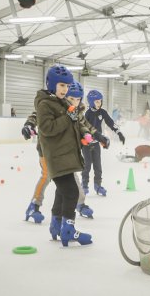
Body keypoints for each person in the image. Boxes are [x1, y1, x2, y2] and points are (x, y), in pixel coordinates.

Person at [35, 66, 109, 246]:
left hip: (67, 154)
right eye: (61, 85)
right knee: (72, 191)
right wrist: (68, 117)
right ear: (52, 84)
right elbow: (47, 128)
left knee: (62, 191)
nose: (64, 89)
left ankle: (56, 224)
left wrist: (88, 135)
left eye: (67, 86)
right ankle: (68, 230)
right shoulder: (45, 104)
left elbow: (78, 123)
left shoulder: (63, 103)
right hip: (57, 155)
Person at [22, 82, 95, 222]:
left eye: (77, 99)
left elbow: (83, 125)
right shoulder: (53, 105)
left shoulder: (75, 110)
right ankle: (34, 205)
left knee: (72, 178)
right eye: (71, 98)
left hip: (66, 152)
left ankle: (79, 203)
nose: (74, 102)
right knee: (47, 176)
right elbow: (36, 115)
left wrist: (92, 137)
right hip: (47, 151)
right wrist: (29, 125)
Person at [82, 89, 126, 196]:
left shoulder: (102, 112)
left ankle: (98, 185)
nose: (99, 103)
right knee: (87, 165)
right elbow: (85, 129)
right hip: (86, 144)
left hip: (97, 142)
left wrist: (119, 133)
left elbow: (111, 122)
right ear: (91, 102)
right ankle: (84, 185)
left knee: (98, 165)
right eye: (97, 101)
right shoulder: (87, 114)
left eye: (100, 101)